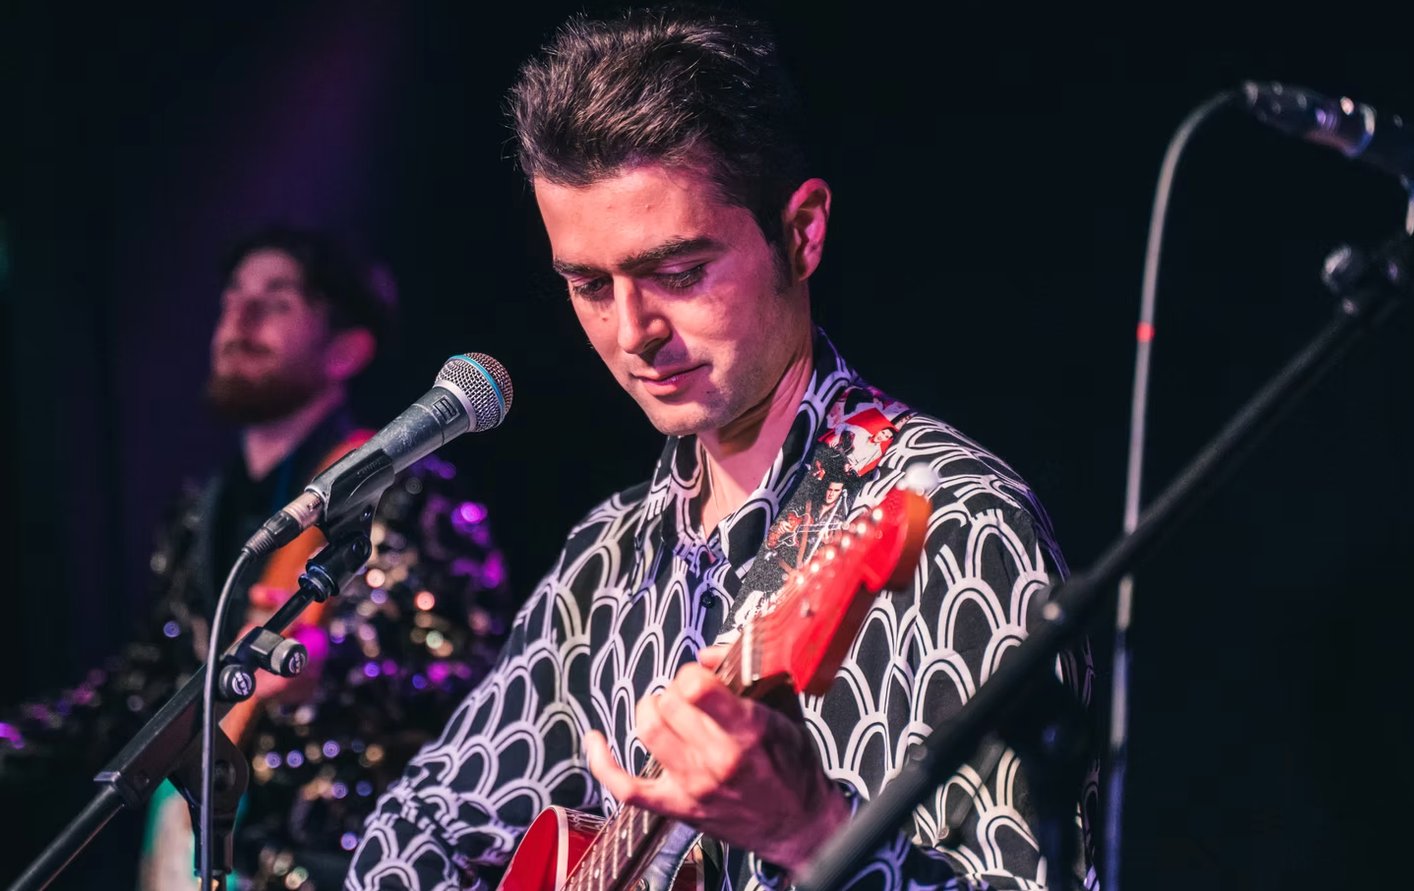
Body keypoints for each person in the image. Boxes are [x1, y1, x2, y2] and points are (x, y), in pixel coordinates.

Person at [347, 5, 1098, 891]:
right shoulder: (605, 565)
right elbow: (407, 836)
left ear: (803, 231)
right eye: (590, 284)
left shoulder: (954, 525)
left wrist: (816, 834)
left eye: (679, 271)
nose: (634, 333)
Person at [0, 224, 513, 891]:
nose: (237, 317)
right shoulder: (196, 511)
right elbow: (145, 680)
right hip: (221, 855)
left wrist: (331, 664)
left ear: (346, 349)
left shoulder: (412, 490)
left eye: (275, 301)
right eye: (232, 297)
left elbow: (471, 663)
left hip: (352, 862)